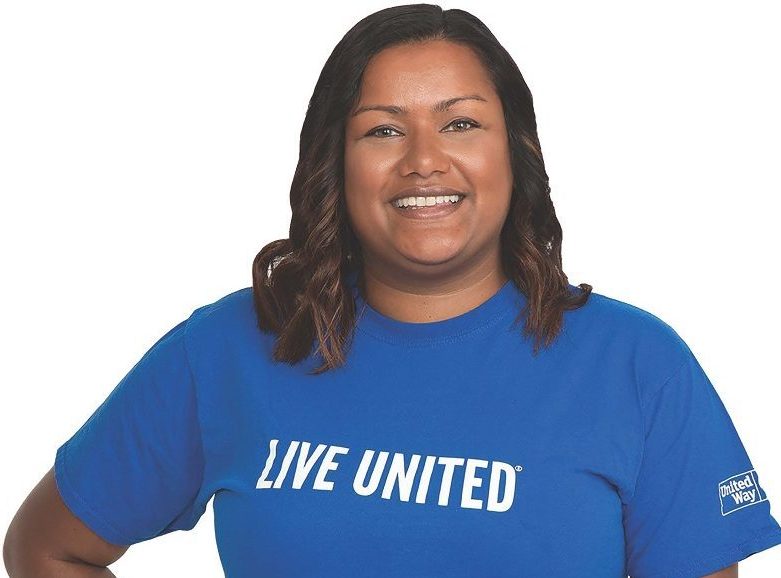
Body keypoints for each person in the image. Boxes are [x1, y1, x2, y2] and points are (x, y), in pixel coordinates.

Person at [4, 4, 780, 578]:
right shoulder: (226, 349)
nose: (422, 161)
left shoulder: (636, 364)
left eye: (460, 124)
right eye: (382, 129)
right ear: (334, 163)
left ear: (516, 152)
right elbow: (46, 551)